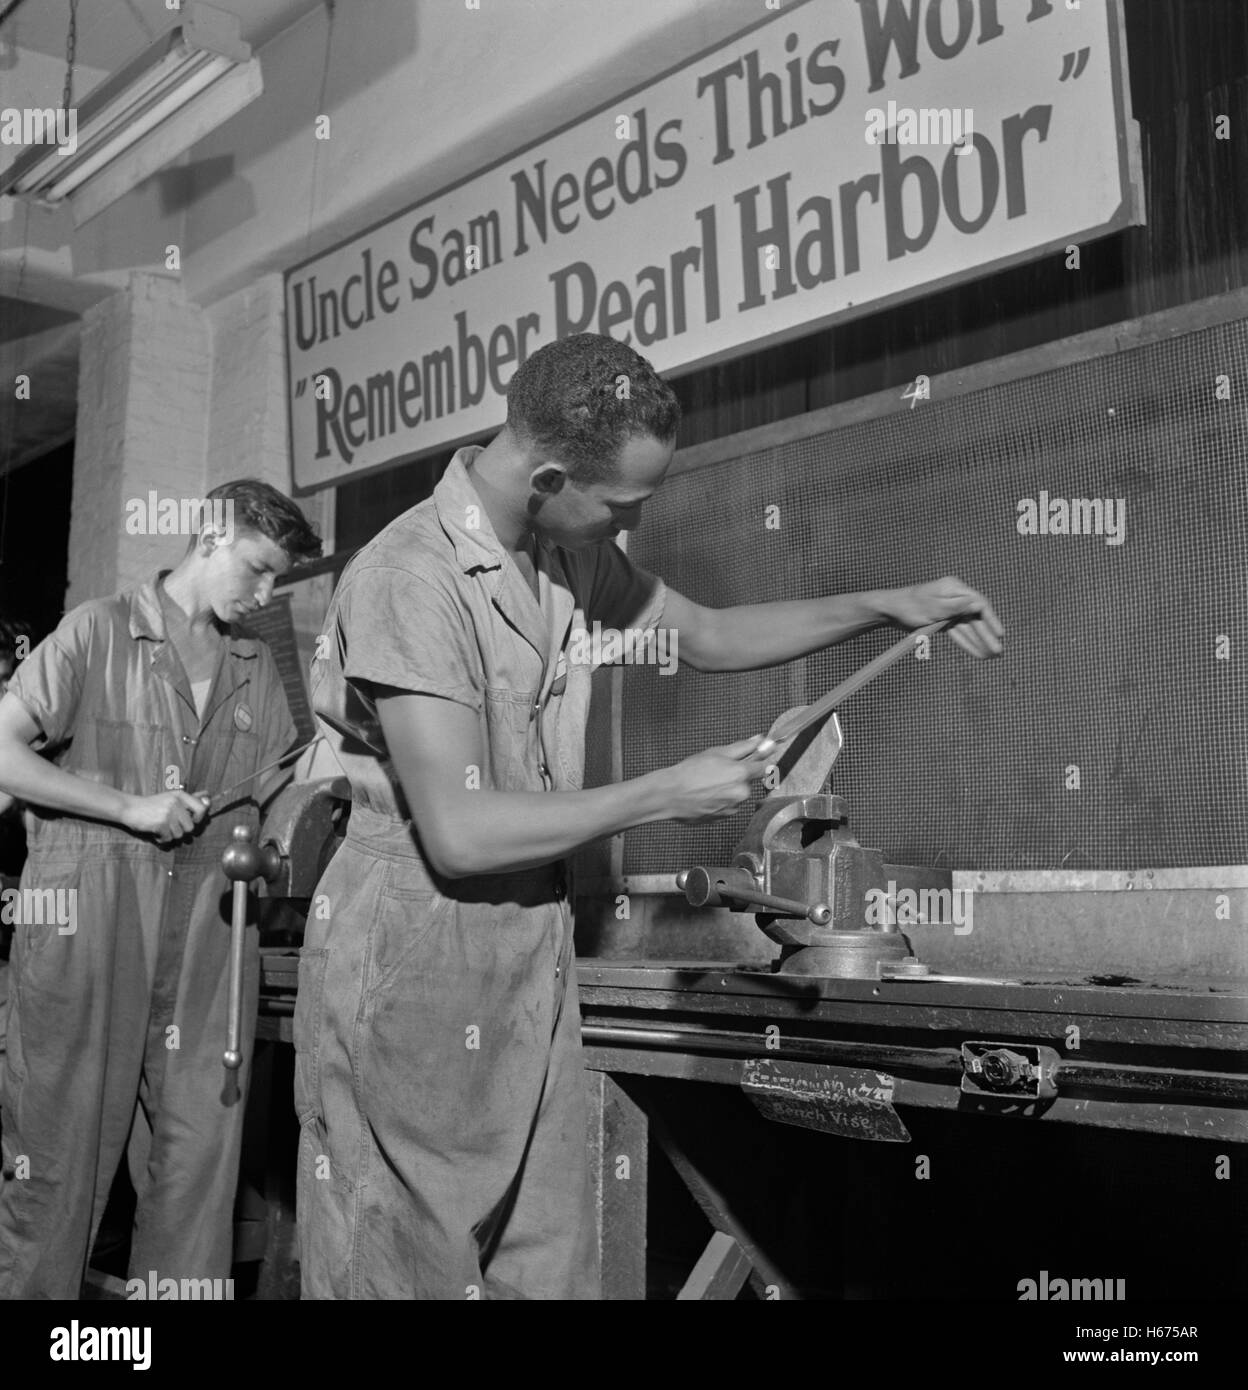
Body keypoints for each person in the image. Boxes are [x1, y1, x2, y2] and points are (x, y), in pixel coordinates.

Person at [296, 332, 1003, 1300]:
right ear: (549, 474)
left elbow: (706, 635)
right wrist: (666, 791)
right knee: (406, 1257)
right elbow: (460, 833)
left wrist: (890, 603)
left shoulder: (556, 554)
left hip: (526, 931)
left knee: (543, 1255)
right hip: (416, 935)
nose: (634, 520)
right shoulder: (408, 578)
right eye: (625, 503)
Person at [0, 480, 321, 1298]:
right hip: (91, 925)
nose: (262, 595)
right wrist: (127, 807)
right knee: (56, 1169)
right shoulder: (99, 633)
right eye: (255, 570)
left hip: (213, 931)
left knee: (196, 1177)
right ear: (209, 539)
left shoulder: (255, 669)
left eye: (276, 581)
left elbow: (279, 790)